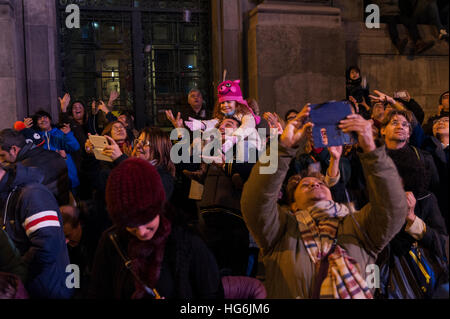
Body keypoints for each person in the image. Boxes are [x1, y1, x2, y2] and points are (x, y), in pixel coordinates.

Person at [241, 106, 408, 299]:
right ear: (293, 205)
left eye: (320, 183)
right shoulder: (280, 229)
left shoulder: (359, 225)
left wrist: (372, 150)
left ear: (332, 193)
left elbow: (393, 208)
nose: (314, 185)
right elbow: (255, 200)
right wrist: (282, 148)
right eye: (305, 185)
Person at [88, 158, 222, 299]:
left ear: (158, 207)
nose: (141, 232)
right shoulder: (112, 242)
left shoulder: (188, 242)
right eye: (131, 226)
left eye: (147, 221)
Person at [377, 109, 448, 298]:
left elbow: (441, 244)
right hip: (381, 278)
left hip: (421, 280)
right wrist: (371, 287)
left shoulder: (425, 198)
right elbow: (367, 258)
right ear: (382, 130)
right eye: (394, 123)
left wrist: (413, 220)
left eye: (404, 124)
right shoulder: (370, 165)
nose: (400, 126)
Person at [0, 162, 73, 299]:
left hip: (46, 289)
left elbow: (47, 247)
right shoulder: (5, 196)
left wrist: (18, 273)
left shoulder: (32, 195)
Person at [0, 129, 70, 206]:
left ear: (14, 149)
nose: (1, 160)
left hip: (48, 213)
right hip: (63, 206)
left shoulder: (24, 169)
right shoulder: (53, 154)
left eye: (2, 155)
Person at [32, 110, 81, 194]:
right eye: (39, 118)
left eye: (45, 117)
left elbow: (75, 147)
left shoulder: (60, 133)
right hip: (48, 180)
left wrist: (68, 134)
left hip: (67, 176)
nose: (43, 120)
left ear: (50, 120)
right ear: (37, 123)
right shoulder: (36, 138)